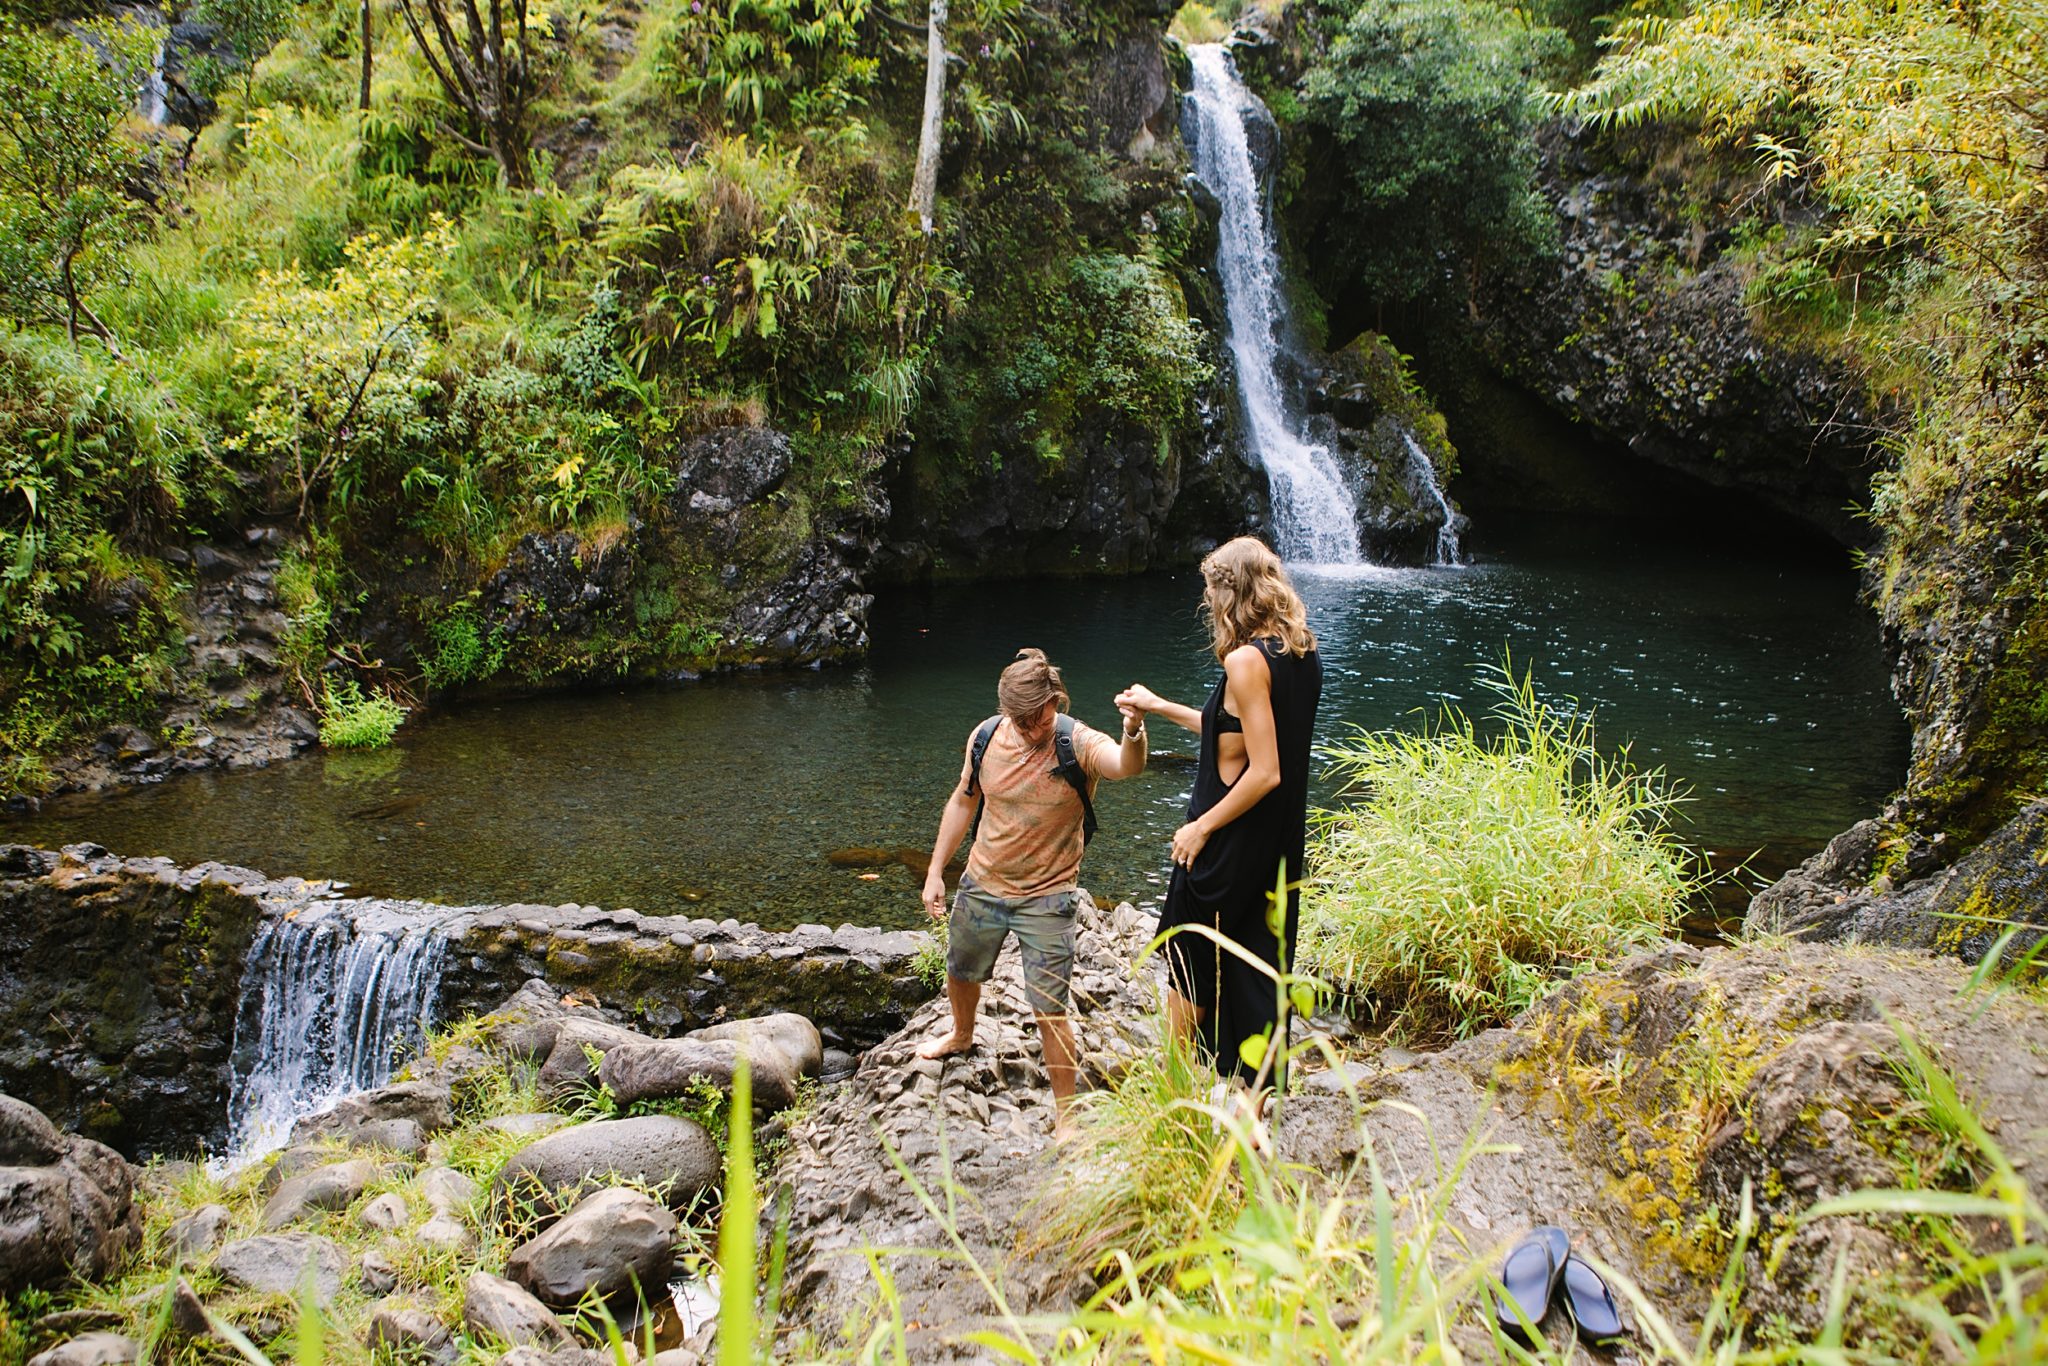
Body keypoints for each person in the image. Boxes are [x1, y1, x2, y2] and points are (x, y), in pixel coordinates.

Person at [1116, 536, 1322, 1089]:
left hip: (1226, 839)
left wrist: (1199, 827)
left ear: (1233, 592)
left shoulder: (1244, 661)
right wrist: (1158, 706)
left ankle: (1172, 1088)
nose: (1207, 604)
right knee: (1256, 962)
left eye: (1210, 592)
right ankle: (1252, 1102)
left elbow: (1265, 769)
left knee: (1189, 958)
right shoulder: (1299, 649)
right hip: (1271, 841)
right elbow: (1234, 735)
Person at [916, 647, 1150, 1131]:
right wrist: (937, 869)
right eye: (1020, 723)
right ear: (1006, 711)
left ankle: (1066, 1116)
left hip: (1048, 894)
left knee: (1049, 1010)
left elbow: (1125, 765)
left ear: (1055, 701)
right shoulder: (984, 737)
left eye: (1038, 720)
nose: (1030, 731)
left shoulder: (1076, 742)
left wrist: (1133, 731)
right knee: (960, 970)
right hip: (982, 883)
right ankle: (961, 1034)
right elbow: (963, 803)